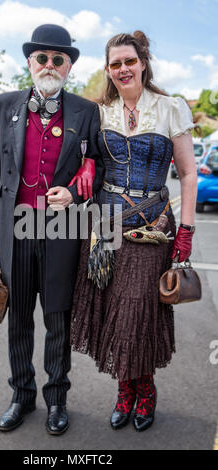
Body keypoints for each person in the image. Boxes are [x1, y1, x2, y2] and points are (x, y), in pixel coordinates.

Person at [70, 31, 197, 432]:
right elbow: (86, 155)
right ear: (107, 70)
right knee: (113, 310)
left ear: (142, 61)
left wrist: (187, 231)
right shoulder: (99, 112)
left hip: (153, 224)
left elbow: (189, 174)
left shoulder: (169, 108)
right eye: (114, 64)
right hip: (106, 226)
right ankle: (126, 390)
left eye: (129, 61)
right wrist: (87, 164)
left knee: (137, 311)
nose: (122, 69)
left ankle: (146, 390)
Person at [0, 24, 101, 435]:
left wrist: (77, 196)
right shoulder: (4, 104)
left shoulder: (86, 112)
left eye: (58, 59)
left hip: (61, 229)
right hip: (14, 227)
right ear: (30, 62)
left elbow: (98, 170)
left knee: (57, 318)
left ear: (69, 66)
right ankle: (21, 395)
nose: (49, 65)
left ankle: (57, 399)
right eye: (42, 58)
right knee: (18, 321)